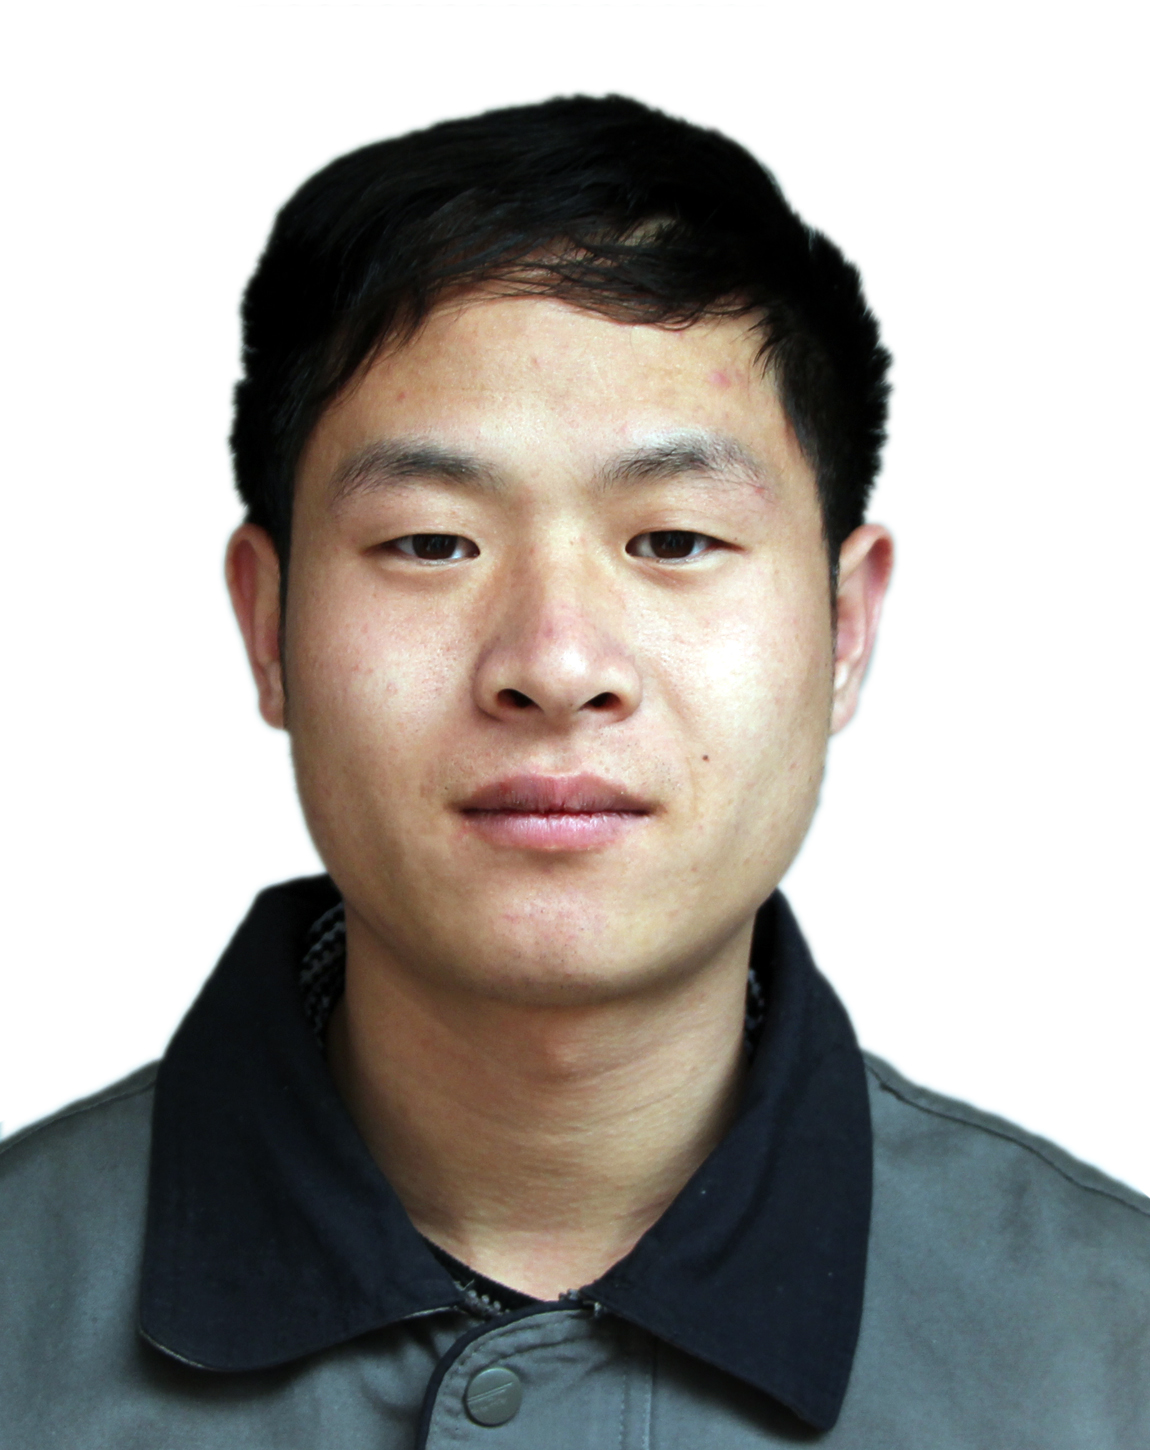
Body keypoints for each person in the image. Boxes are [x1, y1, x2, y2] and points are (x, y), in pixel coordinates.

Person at [1, 95, 1146, 1449]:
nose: (554, 663)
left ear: (845, 628)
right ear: (269, 626)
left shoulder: (1105, 1354)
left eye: (671, 540)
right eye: (432, 542)